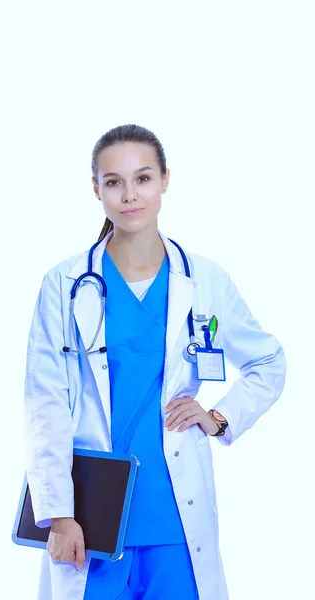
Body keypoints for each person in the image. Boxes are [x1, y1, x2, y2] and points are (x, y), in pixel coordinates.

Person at [23, 124, 286, 600]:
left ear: (166, 180)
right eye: (113, 182)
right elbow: (45, 403)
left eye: (142, 178)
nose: (129, 196)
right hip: (92, 520)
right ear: (95, 189)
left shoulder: (204, 279)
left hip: (174, 516)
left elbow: (268, 361)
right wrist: (57, 513)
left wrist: (219, 416)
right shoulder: (64, 284)